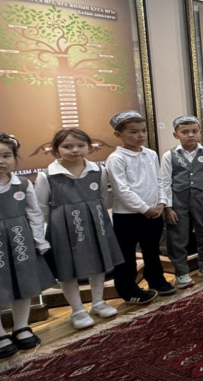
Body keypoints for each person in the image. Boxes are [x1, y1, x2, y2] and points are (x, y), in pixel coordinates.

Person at [36, 128, 122, 329]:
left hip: (95, 224)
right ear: (56, 149)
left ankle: (98, 302)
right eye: (67, 146)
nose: (75, 150)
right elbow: (42, 208)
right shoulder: (47, 175)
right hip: (62, 230)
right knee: (67, 269)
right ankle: (77, 310)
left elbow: (102, 196)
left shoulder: (98, 171)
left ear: (89, 147)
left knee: (99, 263)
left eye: (80, 145)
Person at [106, 110, 175, 304]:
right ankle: (128, 289)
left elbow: (159, 180)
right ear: (118, 134)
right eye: (133, 132)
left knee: (152, 249)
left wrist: (161, 202)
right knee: (126, 254)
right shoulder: (117, 158)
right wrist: (144, 208)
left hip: (153, 211)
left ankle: (156, 279)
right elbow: (121, 189)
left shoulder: (150, 154)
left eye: (143, 131)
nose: (140, 135)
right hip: (127, 215)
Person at [0, 133, 51, 356]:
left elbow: (34, 213)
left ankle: (21, 326)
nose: (1, 161)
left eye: (6, 156)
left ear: (14, 158)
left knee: (23, 284)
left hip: (20, 242)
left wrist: (39, 240)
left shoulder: (22, 184)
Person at [161, 116, 203, 287]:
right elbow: (165, 182)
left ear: (200, 133)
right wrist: (168, 207)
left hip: (202, 199)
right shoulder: (169, 156)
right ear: (176, 135)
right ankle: (181, 272)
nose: (190, 135)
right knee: (178, 236)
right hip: (178, 201)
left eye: (194, 131)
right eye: (185, 132)